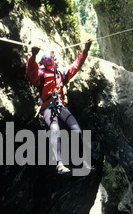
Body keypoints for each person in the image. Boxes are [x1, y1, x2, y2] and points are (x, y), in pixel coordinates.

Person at [26, 40, 93, 174]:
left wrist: (85, 50)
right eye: (53, 59)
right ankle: (60, 164)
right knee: (55, 131)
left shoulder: (61, 74)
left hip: (61, 105)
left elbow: (76, 65)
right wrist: (33, 56)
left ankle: (85, 162)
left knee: (77, 131)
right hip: (48, 107)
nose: (56, 61)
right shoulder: (42, 74)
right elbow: (31, 72)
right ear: (47, 61)